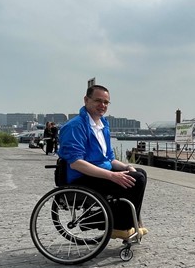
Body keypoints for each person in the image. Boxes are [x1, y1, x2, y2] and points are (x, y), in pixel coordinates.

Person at [58, 85, 147, 240]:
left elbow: (109, 158)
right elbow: (76, 163)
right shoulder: (75, 126)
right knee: (136, 180)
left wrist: (126, 166)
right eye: (98, 100)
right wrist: (112, 176)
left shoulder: (103, 125)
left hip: (101, 173)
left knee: (139, 173)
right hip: (82, 177)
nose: (103, 105)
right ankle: (119, 226)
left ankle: (130, 222)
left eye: (106, 102)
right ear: (86, 100)